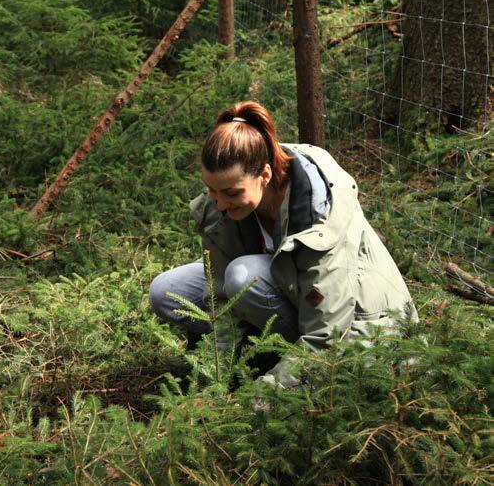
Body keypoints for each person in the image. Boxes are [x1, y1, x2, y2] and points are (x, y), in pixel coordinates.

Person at [149, 101, 416, 384]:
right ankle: (264, 354)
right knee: (167, 291)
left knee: (242, 276)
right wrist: (214, 380)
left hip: (364, 322)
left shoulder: (319, 212)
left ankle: (281, 364)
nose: (220, 203)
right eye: (212, 190)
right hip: (287, 290)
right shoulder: (222, 201)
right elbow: (221, 299)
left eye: (231, 192)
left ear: (264, 175)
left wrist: (259, 398)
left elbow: (326, 335)